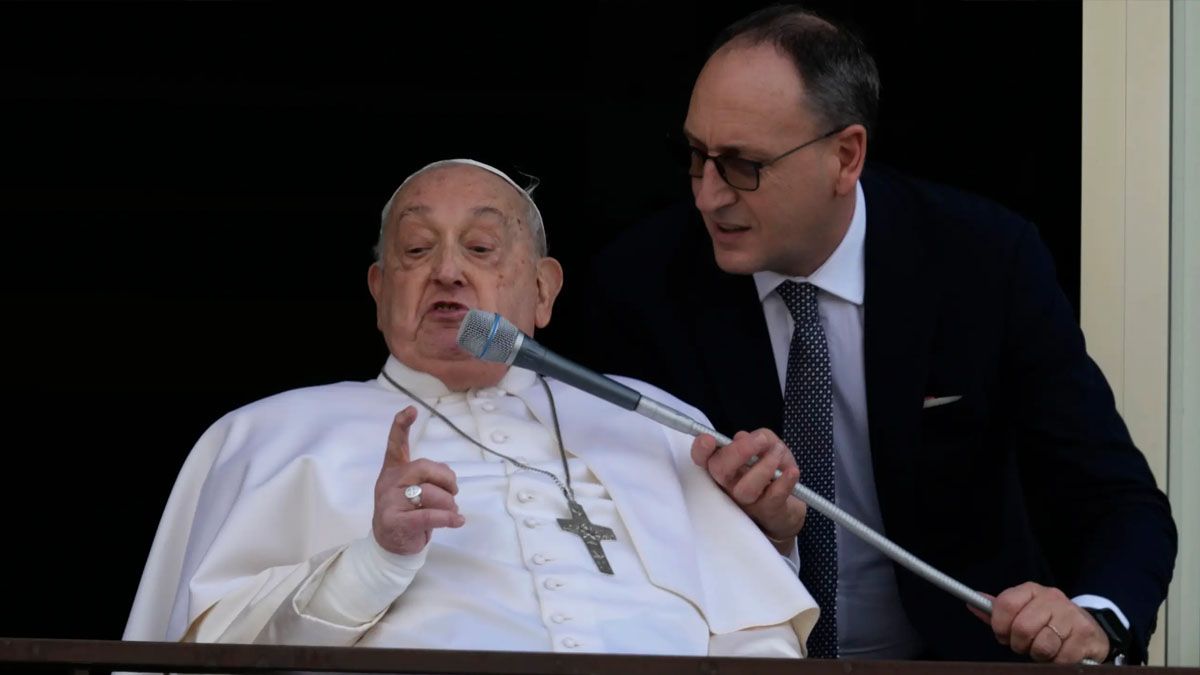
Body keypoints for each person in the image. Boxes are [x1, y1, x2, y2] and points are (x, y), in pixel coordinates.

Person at [578, 5, 1177, 665]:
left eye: (743, 165)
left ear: (846, 156)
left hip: (957, 657)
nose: (708, 195)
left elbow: (1117, 501)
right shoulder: (640, 284)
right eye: (696, 156)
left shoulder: (984, 262)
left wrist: (1095, 618)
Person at [122, 159, 818, 656]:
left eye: (481, 248)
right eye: (417, 249)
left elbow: (755, 631)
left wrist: (769, 527)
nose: (448, 271)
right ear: (380, 290)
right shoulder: (268, 434)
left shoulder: (651, 419)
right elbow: (209, 657)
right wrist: (373, 561)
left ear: (543, 291)